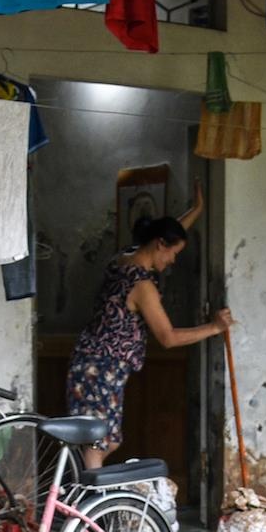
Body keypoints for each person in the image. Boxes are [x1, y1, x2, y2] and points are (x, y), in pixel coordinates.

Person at [66, 186, 232, 469]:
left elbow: (167, 233)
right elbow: (168, 337)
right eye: (173, 253)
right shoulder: (142, 286)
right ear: (159, 244)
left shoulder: (123, 259)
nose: (172, 260)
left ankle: (84, 491)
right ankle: (90, 494)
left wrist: (196, 211)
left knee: (104, 440)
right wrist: (214, 327)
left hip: (92, 362)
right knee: (99, 442)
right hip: (101, 369)